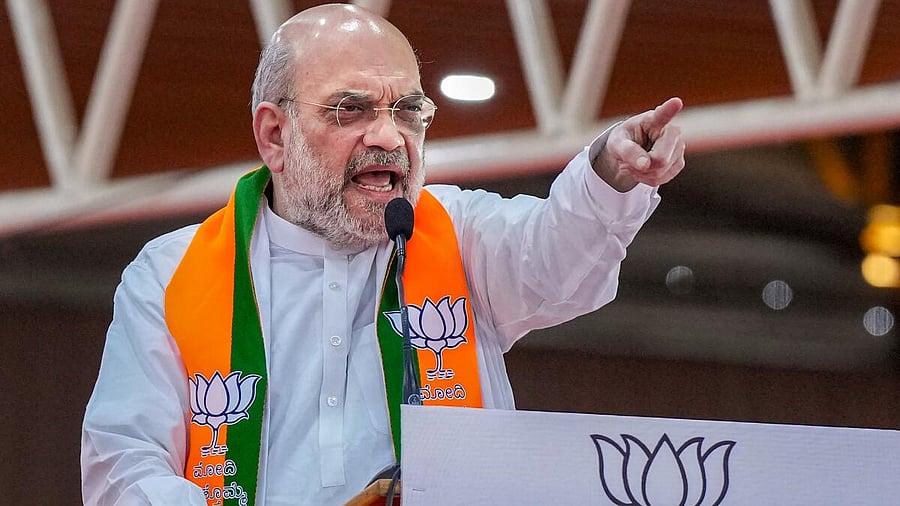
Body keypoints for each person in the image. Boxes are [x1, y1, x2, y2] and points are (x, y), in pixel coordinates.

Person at [80, 3, 685, 506]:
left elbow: (559, 258)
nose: (390, 137)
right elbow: (123, 471)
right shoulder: (169, 274)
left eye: (408, 112)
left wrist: (611, 169)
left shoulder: (457, 234)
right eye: (352, 110)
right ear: (274, 134)